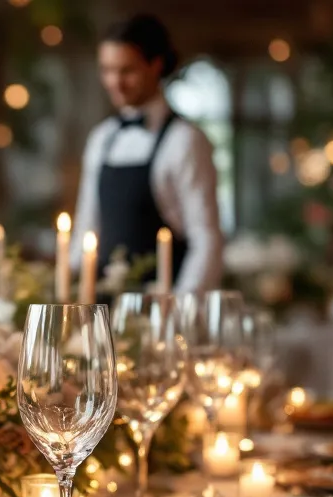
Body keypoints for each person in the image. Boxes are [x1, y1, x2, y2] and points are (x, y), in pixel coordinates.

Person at [71, 14, 222, 293]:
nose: (115, 82)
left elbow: (205, 238)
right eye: (106, 70)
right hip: (102, 309)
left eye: (127, 70)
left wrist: (179, 307)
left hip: (160, 308)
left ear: (156, 65)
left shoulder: (185, 141)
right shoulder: (101, 138)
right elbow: (87, 225)